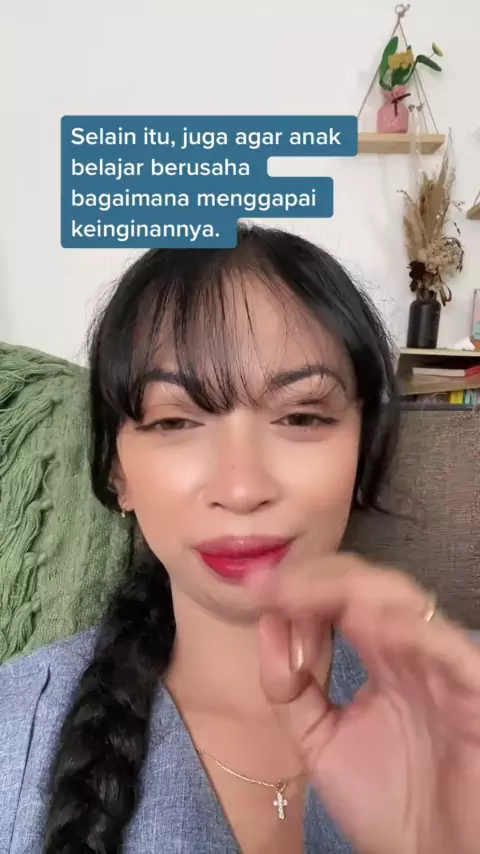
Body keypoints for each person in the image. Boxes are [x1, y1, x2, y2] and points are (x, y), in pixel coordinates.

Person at [1, 223, 480, 854]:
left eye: (301, 416)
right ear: (119, 473)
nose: (242, 487)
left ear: (363, 450)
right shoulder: (13, 725)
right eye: (175, 421)